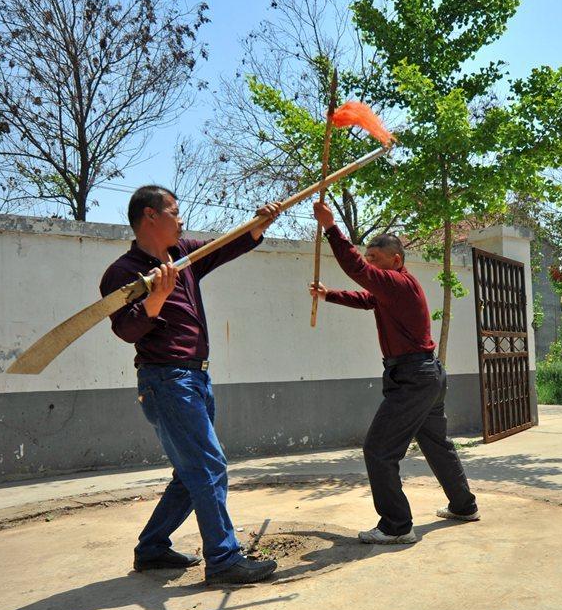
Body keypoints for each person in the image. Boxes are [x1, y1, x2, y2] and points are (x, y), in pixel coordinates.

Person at [100, 185, 282, 585]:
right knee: (208, 465)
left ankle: (152, 549)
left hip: (196, 376)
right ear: (151, 216)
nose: (181, 220)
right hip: (166, 379)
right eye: (175, 211)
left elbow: (224, 246)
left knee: (190, 473)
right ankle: (223, 559)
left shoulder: (185, 254)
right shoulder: (122, 272)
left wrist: (258, 225)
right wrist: (155, 299)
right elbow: (126, 329)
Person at [310, 200, 478, 544]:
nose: (369, 264)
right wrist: (329, 296)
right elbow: (365, 297)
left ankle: (396, 526)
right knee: (436, 444)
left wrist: (331, 228)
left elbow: (358, 271)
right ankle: (464, 506)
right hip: (427, 375)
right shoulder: (393, 290)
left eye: (375, 259)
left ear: (396, 260)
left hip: (414, 377)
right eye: (368, 258)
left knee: (378, 450)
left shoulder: (399, 284)